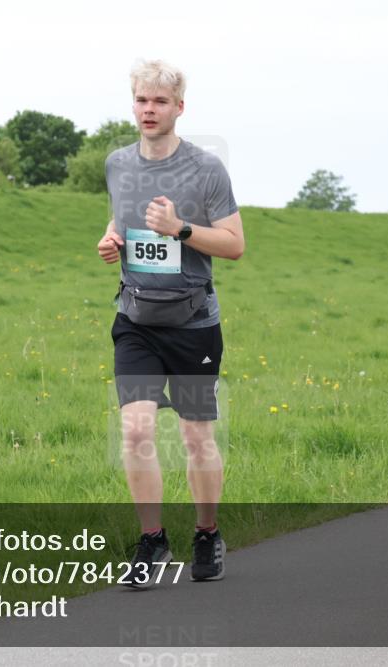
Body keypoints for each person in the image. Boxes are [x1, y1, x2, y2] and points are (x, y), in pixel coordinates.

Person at [97, 59, 244, 587]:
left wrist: (180, 228)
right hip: (136, 319)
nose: (149, 109)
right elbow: (123, 216)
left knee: (196, 437)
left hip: (193, 324)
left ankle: (206, 533)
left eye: (160, 101)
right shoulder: (117, 164)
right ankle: (152, 540)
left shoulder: (206, 169)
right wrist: (110, 239)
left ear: (179, 107)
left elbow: (234, 245)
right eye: (141, 100)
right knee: (136, 429)